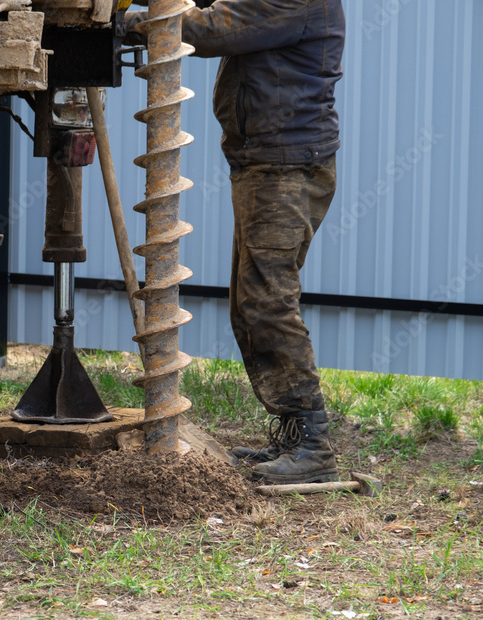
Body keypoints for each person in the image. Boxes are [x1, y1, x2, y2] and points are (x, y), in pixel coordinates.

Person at [129, 0, 345, 483]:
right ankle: (293, 436)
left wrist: (135, 18)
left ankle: (313, 445)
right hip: (265, 161)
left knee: (267, 302)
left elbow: (209, 27)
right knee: (249, 304)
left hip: (287, 165)